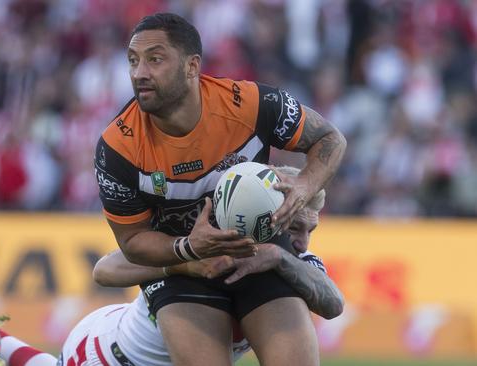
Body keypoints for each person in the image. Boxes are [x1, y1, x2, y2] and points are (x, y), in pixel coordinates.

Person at [94, 12, 346, 366]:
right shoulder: (117, 147)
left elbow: (329, 138)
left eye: (155, 59)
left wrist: (303, 187)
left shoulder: (251, 105)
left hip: (257, 251)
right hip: (187, 270)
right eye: (133, 61)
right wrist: (187, 248)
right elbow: (132, 244)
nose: (139, 73)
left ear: (192, 66)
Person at [0, 167, 343, 366]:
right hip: (108, 350)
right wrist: (183, 264)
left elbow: (332, 302)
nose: (301, 240)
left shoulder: (292, 263)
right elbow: (104, 270)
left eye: (310, 229)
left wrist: (281, 256)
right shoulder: (207, 247)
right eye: (294, 227)